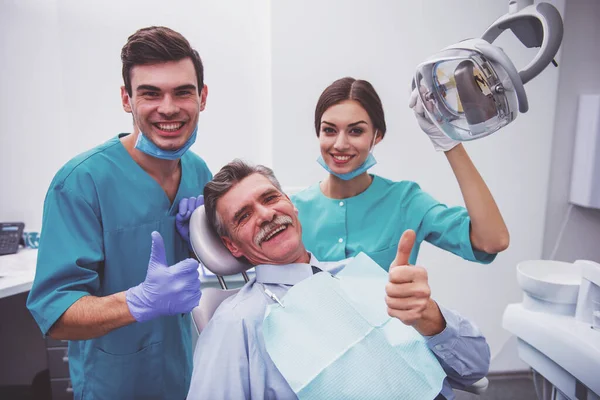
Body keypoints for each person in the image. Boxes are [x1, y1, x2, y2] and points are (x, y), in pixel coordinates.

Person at [187, 160, 490, 400]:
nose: (266, 215)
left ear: (292, 206)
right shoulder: (236, 322)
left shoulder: (359, 274)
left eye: (270, 198)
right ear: (232, 246)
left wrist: (430, 318)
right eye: (243, 216)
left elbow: (475, 367)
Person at [26, 26, 212, 399]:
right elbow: (55, 313)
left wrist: (206, 239)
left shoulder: (199, 172)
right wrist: (137, 301)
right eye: (150, 93)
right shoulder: (81, 183)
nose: (169, 107)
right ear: (126, 99)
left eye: (182, 92)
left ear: (202, 97)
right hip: (112, 384)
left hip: (182, 376)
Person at [291, 77, 510, 269]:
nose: (340, 144)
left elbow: (492, 240)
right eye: (329, 130)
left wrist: (450, 143)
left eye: (356, 131)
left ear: (377, 136)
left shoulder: (406, 201)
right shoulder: (293, 211)